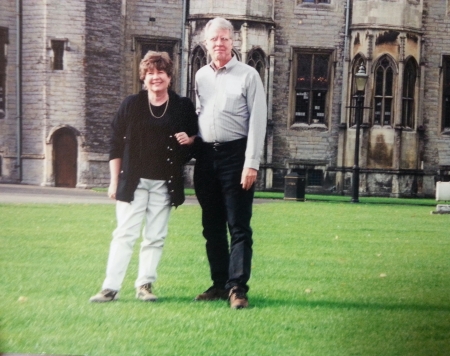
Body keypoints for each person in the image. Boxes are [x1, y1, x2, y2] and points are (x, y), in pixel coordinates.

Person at [90, 51, 198, 303]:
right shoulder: (131, 104)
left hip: (164, 183)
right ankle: (110, 288)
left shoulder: (182, 106)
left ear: (169, 77)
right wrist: (114, 182)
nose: (155, 77)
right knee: (124, 234)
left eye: (160, 72)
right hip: (133, 182)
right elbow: (115, 144)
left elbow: (195, 139)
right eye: (150, 73)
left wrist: (190, 139)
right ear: (143, 77)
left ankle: (145, 285)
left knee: (155, 236)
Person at [193, 17, 267, 309]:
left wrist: (252, 163)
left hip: (237, 156)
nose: (220, 43)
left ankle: (237, 287)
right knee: (211, 226)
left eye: (225, 38)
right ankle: (219, 284)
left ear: (233, 41)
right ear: (207, 43)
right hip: (206, 157)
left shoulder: (248, 75)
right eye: (214, 39)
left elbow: (258, 121)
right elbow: (199, 115)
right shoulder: (200, 77)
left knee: (238, 226)